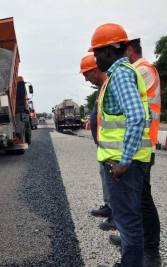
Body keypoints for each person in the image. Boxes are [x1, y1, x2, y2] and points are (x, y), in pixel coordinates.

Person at [89, 23, 152, 267]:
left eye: (96, 53)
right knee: (128, 221)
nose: (94, 59)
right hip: (125, 161)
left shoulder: (121, 75)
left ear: (107, 51)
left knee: (128, 222)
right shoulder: (120, 74)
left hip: (124, 165)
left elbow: (136, 116)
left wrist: (124, 162)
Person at [108, 30, 162, 267]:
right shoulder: (134, 71)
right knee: (136, 200)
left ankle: (151, 252)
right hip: (137, 143)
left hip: (141, 145)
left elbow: (137, 114)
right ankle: (135, 243)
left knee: (142, 200)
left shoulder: (140, 70)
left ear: (128, 50)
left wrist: (126, 157)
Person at [79, 54, 116, 231]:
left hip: (114, 148)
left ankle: (118, 217)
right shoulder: (102, 88)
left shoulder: (110, 85)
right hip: (105, 146)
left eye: (86, 75)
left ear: (94, 70)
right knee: (106, 178)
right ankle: (111, 208)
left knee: (115, 183)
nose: (86, 79)